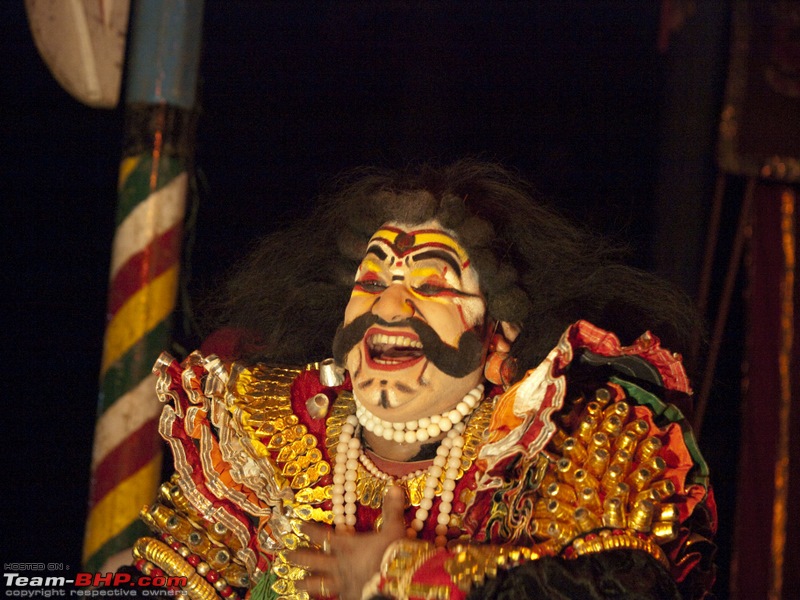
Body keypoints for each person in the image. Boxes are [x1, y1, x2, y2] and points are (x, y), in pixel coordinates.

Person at [129, 161, 716, 600]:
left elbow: (625, 586)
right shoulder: (250, 441)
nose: (388, 307)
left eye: (430, 287)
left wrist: (408, 574)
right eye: (371, 279)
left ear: (499, 332)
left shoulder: (573, 436)